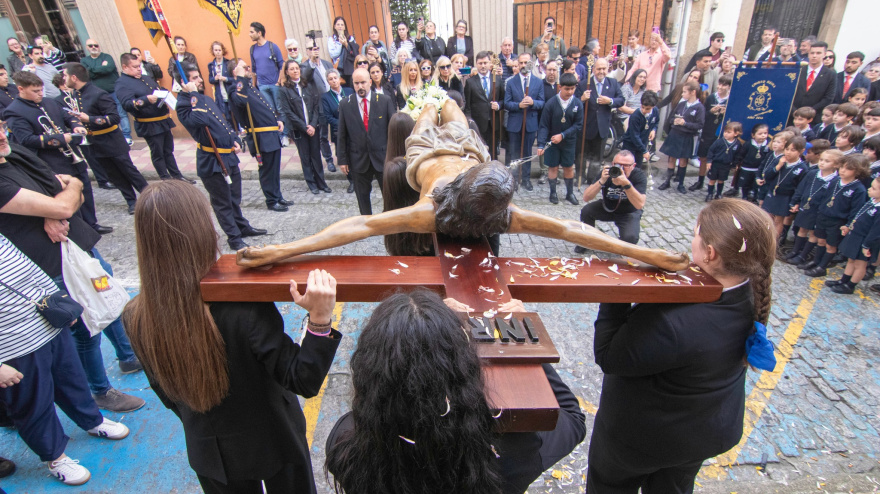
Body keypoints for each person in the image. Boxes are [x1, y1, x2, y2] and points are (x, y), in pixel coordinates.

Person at [237, 101, 690, 272]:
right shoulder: (433, 206)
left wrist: (649, 255)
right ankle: (431, 100)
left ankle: (437, 106)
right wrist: (279, 251)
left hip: (457, 157)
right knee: (437, 107)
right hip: (437, 155)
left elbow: (575, 231)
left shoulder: (500, 213)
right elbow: (356, 225)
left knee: (445, 105)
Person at [123, 180, 341, 494]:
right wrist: (319, 321)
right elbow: (302, 379)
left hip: (210, 449)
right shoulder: (242, 307)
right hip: (275, 435)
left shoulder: (135, 314)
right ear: (203, 230)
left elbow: (167, 393)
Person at [587, 198, 775, 493]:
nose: (692, 241)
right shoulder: (753, 291)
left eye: (696, 235)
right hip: (704, 431)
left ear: (710, 254)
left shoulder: (672, 322)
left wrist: (617, 285)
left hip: (642, 439)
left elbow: (610, 356)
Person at [325, 290, 585, 494]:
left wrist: (424, 325)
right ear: (465, 368)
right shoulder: (513, 451)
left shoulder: (345, 446)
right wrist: (523, 336)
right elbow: (572, 416)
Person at [0, 123, 145, 412]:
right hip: (51, 264)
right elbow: (65, 204)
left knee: (111, 302)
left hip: (78, 247)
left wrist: (57, 204)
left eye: (0, 127)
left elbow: (70, 185)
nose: (2, 136)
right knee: (85, 328)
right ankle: (100, 390)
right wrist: (56, 207)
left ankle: (129, 356)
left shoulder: (15, 154)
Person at [0, 234, 131, 486]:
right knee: (33, 404)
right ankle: (55, 457)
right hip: (11, 348)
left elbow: (29, 269)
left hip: (47, 326)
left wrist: (59, 301)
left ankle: (92, 420)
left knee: (72, 379)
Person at [4, 71, 113, 235]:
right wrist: (60, 139)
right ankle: (79, 228)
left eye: (41, 90)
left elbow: (68, 116)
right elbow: (26, 139)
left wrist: (76, 125)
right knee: (66, 194)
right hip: (52, 161)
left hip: (72, 156)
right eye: (35, 91)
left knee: (85, 190)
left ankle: (92, 224)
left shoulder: (49, 102)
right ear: (21, 89)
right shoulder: (14, 111)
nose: (40, 94)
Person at [175, 66, 268, 251]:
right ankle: (234, 237)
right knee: (222, 202)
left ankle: (242, 227)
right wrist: (193, 94)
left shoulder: (205, 99)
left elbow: (224, 122)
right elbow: (199, 120)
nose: (199, 81)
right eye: (194, 78)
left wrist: (234, 139)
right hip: (212, 161)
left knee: (234, 197)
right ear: (183, 84)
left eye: (198, 77)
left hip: (228, 156)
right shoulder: (184, 105)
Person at [62, 62, 148, 215]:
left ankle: (149, 197)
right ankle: (131, 201)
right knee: (114, 175)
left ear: (74, 77)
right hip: (96, 143)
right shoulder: (75, 94)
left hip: (112, 140)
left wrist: (90, 119)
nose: (63, 78)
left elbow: (114, 118)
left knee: (129, 171)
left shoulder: (98, 94)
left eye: (65, 75)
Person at [115, 53, 193, 183]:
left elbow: (156, 89)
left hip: (162, 120)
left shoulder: (145, 78)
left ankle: (177, 176)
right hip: (149, 124)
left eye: (139, 66)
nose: (139, 69)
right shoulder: (122, 83)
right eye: (135, 67)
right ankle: (166, 179)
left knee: (168, 150)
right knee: (158, 153)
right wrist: (145, 100)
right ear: (125, 67)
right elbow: (127, 104)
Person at [229, 59, 289, 212]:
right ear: (235, 72)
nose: (248, 69)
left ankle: (277, 195)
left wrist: (276, 120)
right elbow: (241, 102)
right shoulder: (235, 90)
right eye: (244, 67)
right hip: (260, 137)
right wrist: (240, 78)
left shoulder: (249, 87)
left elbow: (263, 109)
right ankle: (271, 199)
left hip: (271, 134)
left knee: (274, 168)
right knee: (267, 169)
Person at [337, 68, 397, 215]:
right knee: (362, 195)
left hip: (382, 157)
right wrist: (342, 160)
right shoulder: (346, 104)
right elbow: (342, 134)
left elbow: (393, 130)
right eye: (356, 83)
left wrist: (395, 155)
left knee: (389, 194)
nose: (360, 86)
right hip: (358, 158)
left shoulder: (384, 101)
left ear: (370, 82)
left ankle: (390, 218)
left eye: (363, 82)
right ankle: (366, 222)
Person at [803, 154, 869, 277]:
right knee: (821, 240)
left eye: (848, 168)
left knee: (830, 245)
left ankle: (822, 267)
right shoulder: (835, 181)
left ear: (858, 171)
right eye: (842, 167)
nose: (842, 170)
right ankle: (816, 261)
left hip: (838, 220)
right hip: (824, 216)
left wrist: (849, 224)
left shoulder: (858, 189)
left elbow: (856, 210)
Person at [575, 150, 647, 252]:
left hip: (628, 212)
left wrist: (626, 184)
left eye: (625, 165)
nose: (621, 169)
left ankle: (620, 246)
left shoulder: (638, 176)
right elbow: (586, 197)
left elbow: (640, 204)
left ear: (633, 166)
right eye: (618, 165)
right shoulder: (607, 172)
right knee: (587, 211)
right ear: (613, 164)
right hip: (607, 207)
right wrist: (601, 181)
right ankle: (587, 240)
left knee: (630, 238)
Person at [280, 59, 330, 196]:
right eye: (292, 69)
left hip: (313, 127)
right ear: (287, 72)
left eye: (297, 68)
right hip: (299, 129)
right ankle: (311, 183)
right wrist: (304, 127)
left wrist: (313, 125)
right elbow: (288, 112)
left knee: (316, 155)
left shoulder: (307, 86)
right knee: (305, 157)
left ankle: (321, 182)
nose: (295, 71)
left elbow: (315, 105)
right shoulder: (284, 90)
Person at [785, 148, 841, 266]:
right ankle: (795, 250)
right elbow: (801, 188)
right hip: (806, 207)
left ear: (836, 165)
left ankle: (803, 255)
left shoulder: (835, 181)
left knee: (813, 233)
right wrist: (795, 202)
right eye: (821, 160)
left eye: (827, 161)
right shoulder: (812, 173)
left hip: (819, 211)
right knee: (801, 229)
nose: (822, 163)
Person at [825, 176, 880, 294]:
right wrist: (849, 226)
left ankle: (850, 285)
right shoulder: (872, 201)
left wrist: (866, 246)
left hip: (865, 240)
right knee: (851, 260)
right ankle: (844, 280)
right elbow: (859, 216)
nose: (869, 189)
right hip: (855, 235)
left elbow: (876, 232)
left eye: (874, 188)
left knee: (860, 264)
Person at [536, 73, 582, 205]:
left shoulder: (577, 104)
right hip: (552, 143)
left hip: (569, 142)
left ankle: (569, 193)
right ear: (560, 87)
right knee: (553, 167)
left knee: (568, 167)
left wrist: (563, 135)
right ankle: (553, 192)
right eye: (567, 89)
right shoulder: (551, 103)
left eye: (572, 88)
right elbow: (544, 125)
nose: (570, 92)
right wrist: (540, 144)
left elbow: (578, 125)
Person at [576, 57, 624, 183]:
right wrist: (582, 98)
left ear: (607, 69)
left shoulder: (612, 83)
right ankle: (580, 177)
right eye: (599, 69)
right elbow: (575, 104)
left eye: (604, 69)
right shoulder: (584, 84)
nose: (601, 71)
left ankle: (592, 179)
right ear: (593, 69)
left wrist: (610, 101)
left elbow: (621, 100)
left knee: (597, 157)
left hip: (602, 127)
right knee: (581, 155)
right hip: (586, 126)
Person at [504, 52, 545, 190]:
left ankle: (526, 179)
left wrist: (533, 102)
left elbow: (542, 103)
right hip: (515, 123)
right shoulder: (511, 82)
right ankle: (514, 179)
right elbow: (507, 103)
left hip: (530, 123)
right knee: (514, 152)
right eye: (520, 62)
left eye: (525, 62)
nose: (523, 65)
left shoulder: (538, 82)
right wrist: (518, 106)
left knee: (527, 152)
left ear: (531, 64)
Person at [658, 81, 705, 193]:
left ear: (693, 92)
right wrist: (675, 121)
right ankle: (667, 181)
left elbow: (699, 125)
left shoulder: (699, 108)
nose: (682, 94)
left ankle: (680, 184)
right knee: (671, 159)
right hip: (675, 134)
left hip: (686, 136)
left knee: (683, 160)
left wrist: (685, 123)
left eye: (684, 92)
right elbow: (671, 118)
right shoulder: (681, 104)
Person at [690, 74, 732, 191]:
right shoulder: (711, 98)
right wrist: (710, 111)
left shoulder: (731, 99)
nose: (720, 87)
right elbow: (703, 115)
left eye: (724, 85)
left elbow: (732, 119)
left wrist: (725, 113)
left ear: (729, 87)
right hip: (708, 132)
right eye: (720, 84)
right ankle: (700, 181)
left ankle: (713, 184)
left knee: (717, 160)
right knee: (703, 157)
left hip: (721, 133)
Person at [762, 136, 808, 240]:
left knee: (778, 220)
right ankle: (764, 237)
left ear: (801, 151)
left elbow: (800, 187)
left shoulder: (802, 168)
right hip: (773, 192)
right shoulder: (779, 160)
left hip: (785, 196)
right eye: (787, 149)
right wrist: (778, 166)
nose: (788, 152)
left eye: (793, 150)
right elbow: (767, 175)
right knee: (767, 216)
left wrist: (795, 201)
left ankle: (774, 240)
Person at [300, 40, 336, 171]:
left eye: (316, 48)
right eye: (310, 48)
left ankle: (340, 156)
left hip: (332, 100)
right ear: (307, 51)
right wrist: (312, 63)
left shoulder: (327, 63)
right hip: (320, 104)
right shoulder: (305, 66)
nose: (314, 51)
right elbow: (305, 78)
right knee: (323, 134)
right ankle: (329, 159)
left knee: (337, 130)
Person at [464, 51, 505, 161]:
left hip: (493, 123)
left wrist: (499, 105)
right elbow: (467, 106)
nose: (483, 66)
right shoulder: (470, 82)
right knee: (479, 152)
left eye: (485, 63)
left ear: (489, 64)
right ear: (476, 64)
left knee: (493, 153)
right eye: (480, 63)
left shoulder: (497, 80)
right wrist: (470, 123)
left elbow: (503, 100)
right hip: (478, 125)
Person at [321, 69, 354, 193]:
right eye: (330, 79)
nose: (334, 81)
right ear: (328, 81)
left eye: (335, 78)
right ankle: (351, 181)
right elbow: (328, 117)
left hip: (354, 130)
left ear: (339, 78)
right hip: (339, 131)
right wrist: (343, 124)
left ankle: (359, 179)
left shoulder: (350, 91)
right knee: (343, 155)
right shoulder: (326, 97)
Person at [791, 41, 836, 125]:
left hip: (813, 118)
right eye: (812, 53)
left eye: (818, 53)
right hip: (793, 116)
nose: (814, 56)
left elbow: (828, 98)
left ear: (824, 54)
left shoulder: (830, 75)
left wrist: (809, 112)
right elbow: (789, 92)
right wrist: (794, 110)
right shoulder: (799, 71)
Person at [248, 22, 284, 112]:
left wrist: (279, 82)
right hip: (262, 86)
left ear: (259, 33)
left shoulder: (272, 46)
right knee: (270, 110)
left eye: (252, 32)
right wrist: (254, 85)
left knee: (281, 110)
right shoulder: (252, 49)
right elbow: (254, 69)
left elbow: (282, 65)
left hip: (274, 84)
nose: (250, 35)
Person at [620, 90, 659, 170]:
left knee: (637, 167)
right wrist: (644, 151)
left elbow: (656, 122)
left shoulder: (655, 111)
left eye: (647, 109)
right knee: (627, 167)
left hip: (642, 143)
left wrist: (653, 130)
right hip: (630, 144)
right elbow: (635, 136)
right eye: (642, 107)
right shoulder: (635, 116)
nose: (644, 110)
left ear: (653, 106)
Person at [207, 41, 235, 128]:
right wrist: (214, 79)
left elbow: (234, 79)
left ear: (223, 51)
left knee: (235, 114)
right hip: (220, 94)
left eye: (219, 50)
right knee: (227, 116)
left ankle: (239, 131)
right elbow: (210, 79)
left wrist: (225, 79)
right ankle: (232, 132)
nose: (218, 52)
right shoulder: (211, 65)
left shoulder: (228, 63)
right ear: (213, 51)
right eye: (215, 50)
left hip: (229, 92)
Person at [329, 17, 359, 88]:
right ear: (334, 26)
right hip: (339, 68)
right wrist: (340, 44)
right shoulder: (332, 39)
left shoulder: (350, 39)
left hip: (350, 68)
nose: (340, 26)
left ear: (345, 27)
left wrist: (346, 44)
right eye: (338, 24)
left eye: (342, 25)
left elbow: (354, 53)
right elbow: (333, 54)